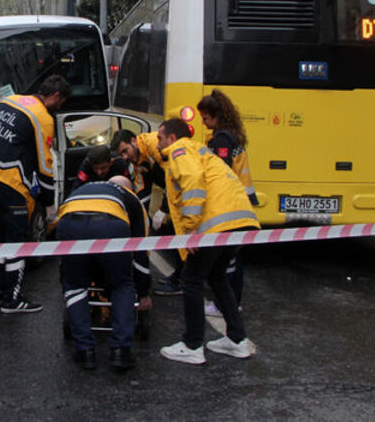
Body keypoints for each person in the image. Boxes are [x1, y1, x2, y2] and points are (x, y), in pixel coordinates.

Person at [155, 118, 260, 365]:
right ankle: (237, 340)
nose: (158, 143)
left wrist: (191, 230)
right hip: (238, 222)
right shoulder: (199, 149)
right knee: (217, 277)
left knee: (191, 279)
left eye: (160, 138)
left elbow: (192, 182)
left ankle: (192, 345)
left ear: (172, 138)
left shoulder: (180, 151)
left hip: (214, 226)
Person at [0, 74, 70, 313]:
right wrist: (49, 201)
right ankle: (12, 300)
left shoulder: (10, 101)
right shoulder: (42, 117)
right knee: (17, 244)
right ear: (54, 96)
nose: (60, 107)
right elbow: (45, 161)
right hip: (12, 185)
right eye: (61, 102)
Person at [58, 176, 147, 370]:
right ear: (128, 188)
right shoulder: (131, 198)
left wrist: (65, 276)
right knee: (121, 284)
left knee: (74, 285)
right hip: (111, 225)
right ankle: (120, 352)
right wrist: (144, 291)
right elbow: (141, 249)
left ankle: (85, 351)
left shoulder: (84, 187)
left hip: (69, 221)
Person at [197, 89, 257, 317]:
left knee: (229, 258)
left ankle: (226, 303)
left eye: (206, 118)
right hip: (241, 200)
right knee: (233, 255)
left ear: (216, 116)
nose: (204, 123)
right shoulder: (231, 134)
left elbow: (219, 171)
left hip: (233, 201)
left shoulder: (223, 139)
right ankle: (230, 301)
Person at [111, 129, 181, 296]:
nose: (126, 157)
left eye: (125, 151)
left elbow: (172, 177)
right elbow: (142, 188)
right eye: (122, 154)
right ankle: (179, 275)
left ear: (134, 141)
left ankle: (183, 280)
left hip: (182, 188)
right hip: (174, 191)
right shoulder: (138, 160)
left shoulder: (153, 144)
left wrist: (164, 209)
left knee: (183, 233)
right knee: (172, 232)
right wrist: (135, 212)